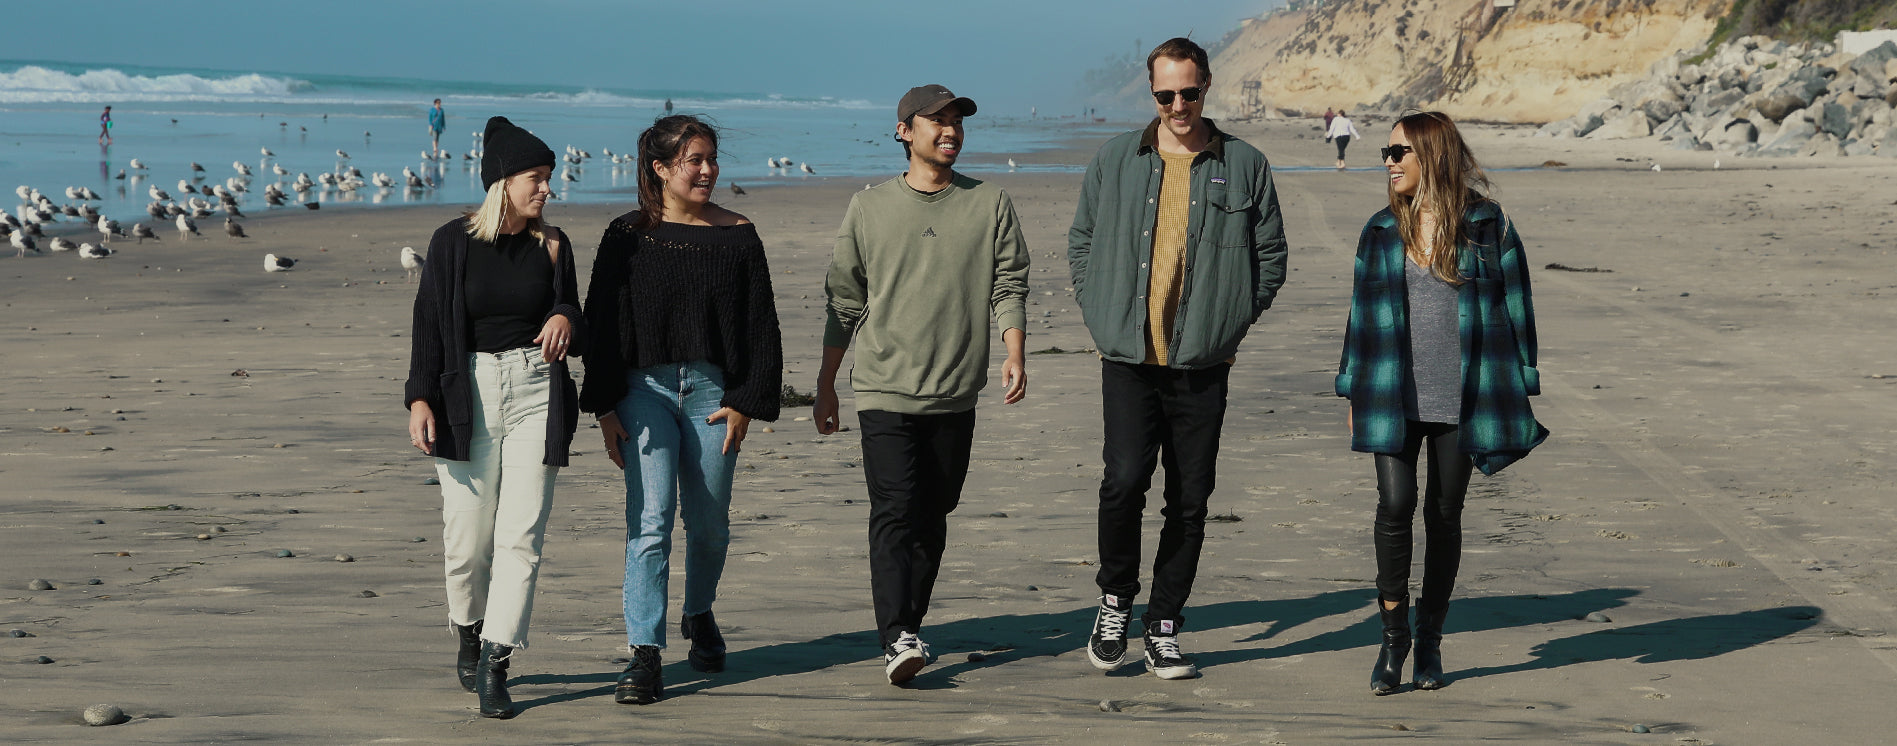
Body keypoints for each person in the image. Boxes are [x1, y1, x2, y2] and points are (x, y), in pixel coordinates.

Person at [1068, 37, 1288, 681]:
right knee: (1124, 481)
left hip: (1203, 364)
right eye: (1165, 95)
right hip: (1128, 356)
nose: (1178, 105)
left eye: (1188, 92)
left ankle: (1163, 626)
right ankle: (1115, 603)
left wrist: (1230, 322)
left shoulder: (1245, 165)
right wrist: (1099, 312)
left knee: (1190, 499)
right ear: (1152, 93)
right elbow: (1082, 240)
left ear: (1207, 86)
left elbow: (1269, 257)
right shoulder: (1116, 159)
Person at [814, 84, 1029, 686]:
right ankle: (896, 634)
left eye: (957, 120)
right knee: (895, 508)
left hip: (957, 389)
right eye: (937, 120)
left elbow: (1009, 282)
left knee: (934, 513)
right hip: (883, 387)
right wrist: (827, 384)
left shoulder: (989, 203)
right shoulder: (869, 207)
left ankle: (909, 622)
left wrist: (1014, 350)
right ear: (905, 131)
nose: (951, 130)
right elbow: (844, 301)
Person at [1337, 110, 1548, 695]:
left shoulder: (1487, 226)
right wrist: (1350, 384)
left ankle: (1430, 637)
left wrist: (1521, 382)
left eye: (1401, 152)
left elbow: (1518, 307)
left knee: (1444, 513)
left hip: (1466, 394)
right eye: (1386, 152)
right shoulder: (1380, 230)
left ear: (1434, 156)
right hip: (1389, 391)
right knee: (1394, 505)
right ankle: (1392, 640)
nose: (1389, 161)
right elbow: (1359, 318)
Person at [579, 115, 783, 705]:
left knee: (711, 524)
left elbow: (759, 326)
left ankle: (698, 612)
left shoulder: (740, 234)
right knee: (650, 522)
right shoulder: (626, 236)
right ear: (661, 168)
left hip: (713, 394)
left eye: (711, 159)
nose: (707, 171)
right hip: (642, 390)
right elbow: (602, 324)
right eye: (694, 160)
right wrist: (604, 409)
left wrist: (747, 401)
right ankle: (645, 654)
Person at [404, 115, 579, 719]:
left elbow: (572, 309)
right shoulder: (451, 242)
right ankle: (469, 629)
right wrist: (419, 398)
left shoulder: (554, 244)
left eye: (549, 178)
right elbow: (429, 323)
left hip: (537, 389)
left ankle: (497, 663)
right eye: (537, 178)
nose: (547, 189)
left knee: (521, 536)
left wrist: (563, 317)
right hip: (467, 393)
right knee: (466, 539)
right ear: (503, 181)